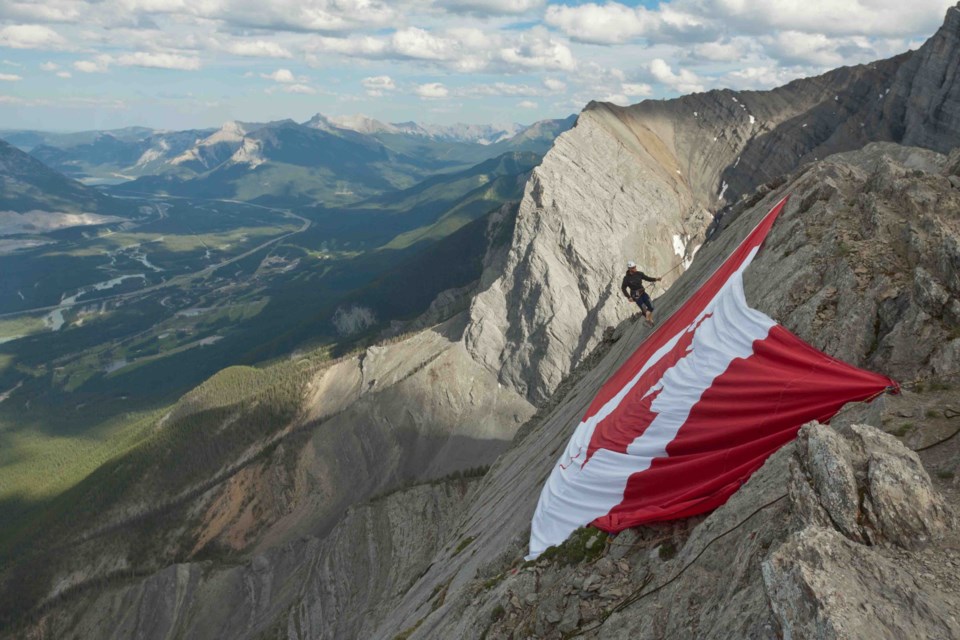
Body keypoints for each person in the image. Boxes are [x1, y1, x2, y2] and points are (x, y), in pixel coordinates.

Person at [621, 260, 660, 325]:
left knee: (651, 306)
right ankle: (650, 321)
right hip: (635, 294)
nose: (635, 268)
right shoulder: (626, 279)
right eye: (633, 268)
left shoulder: (639, 274)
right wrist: (629, 297)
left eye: (635, 267)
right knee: (644, 307)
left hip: (642, 292)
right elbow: (623, 288)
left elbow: (647, 278)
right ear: (630, 269)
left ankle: (647, 319)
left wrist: (656, 279)